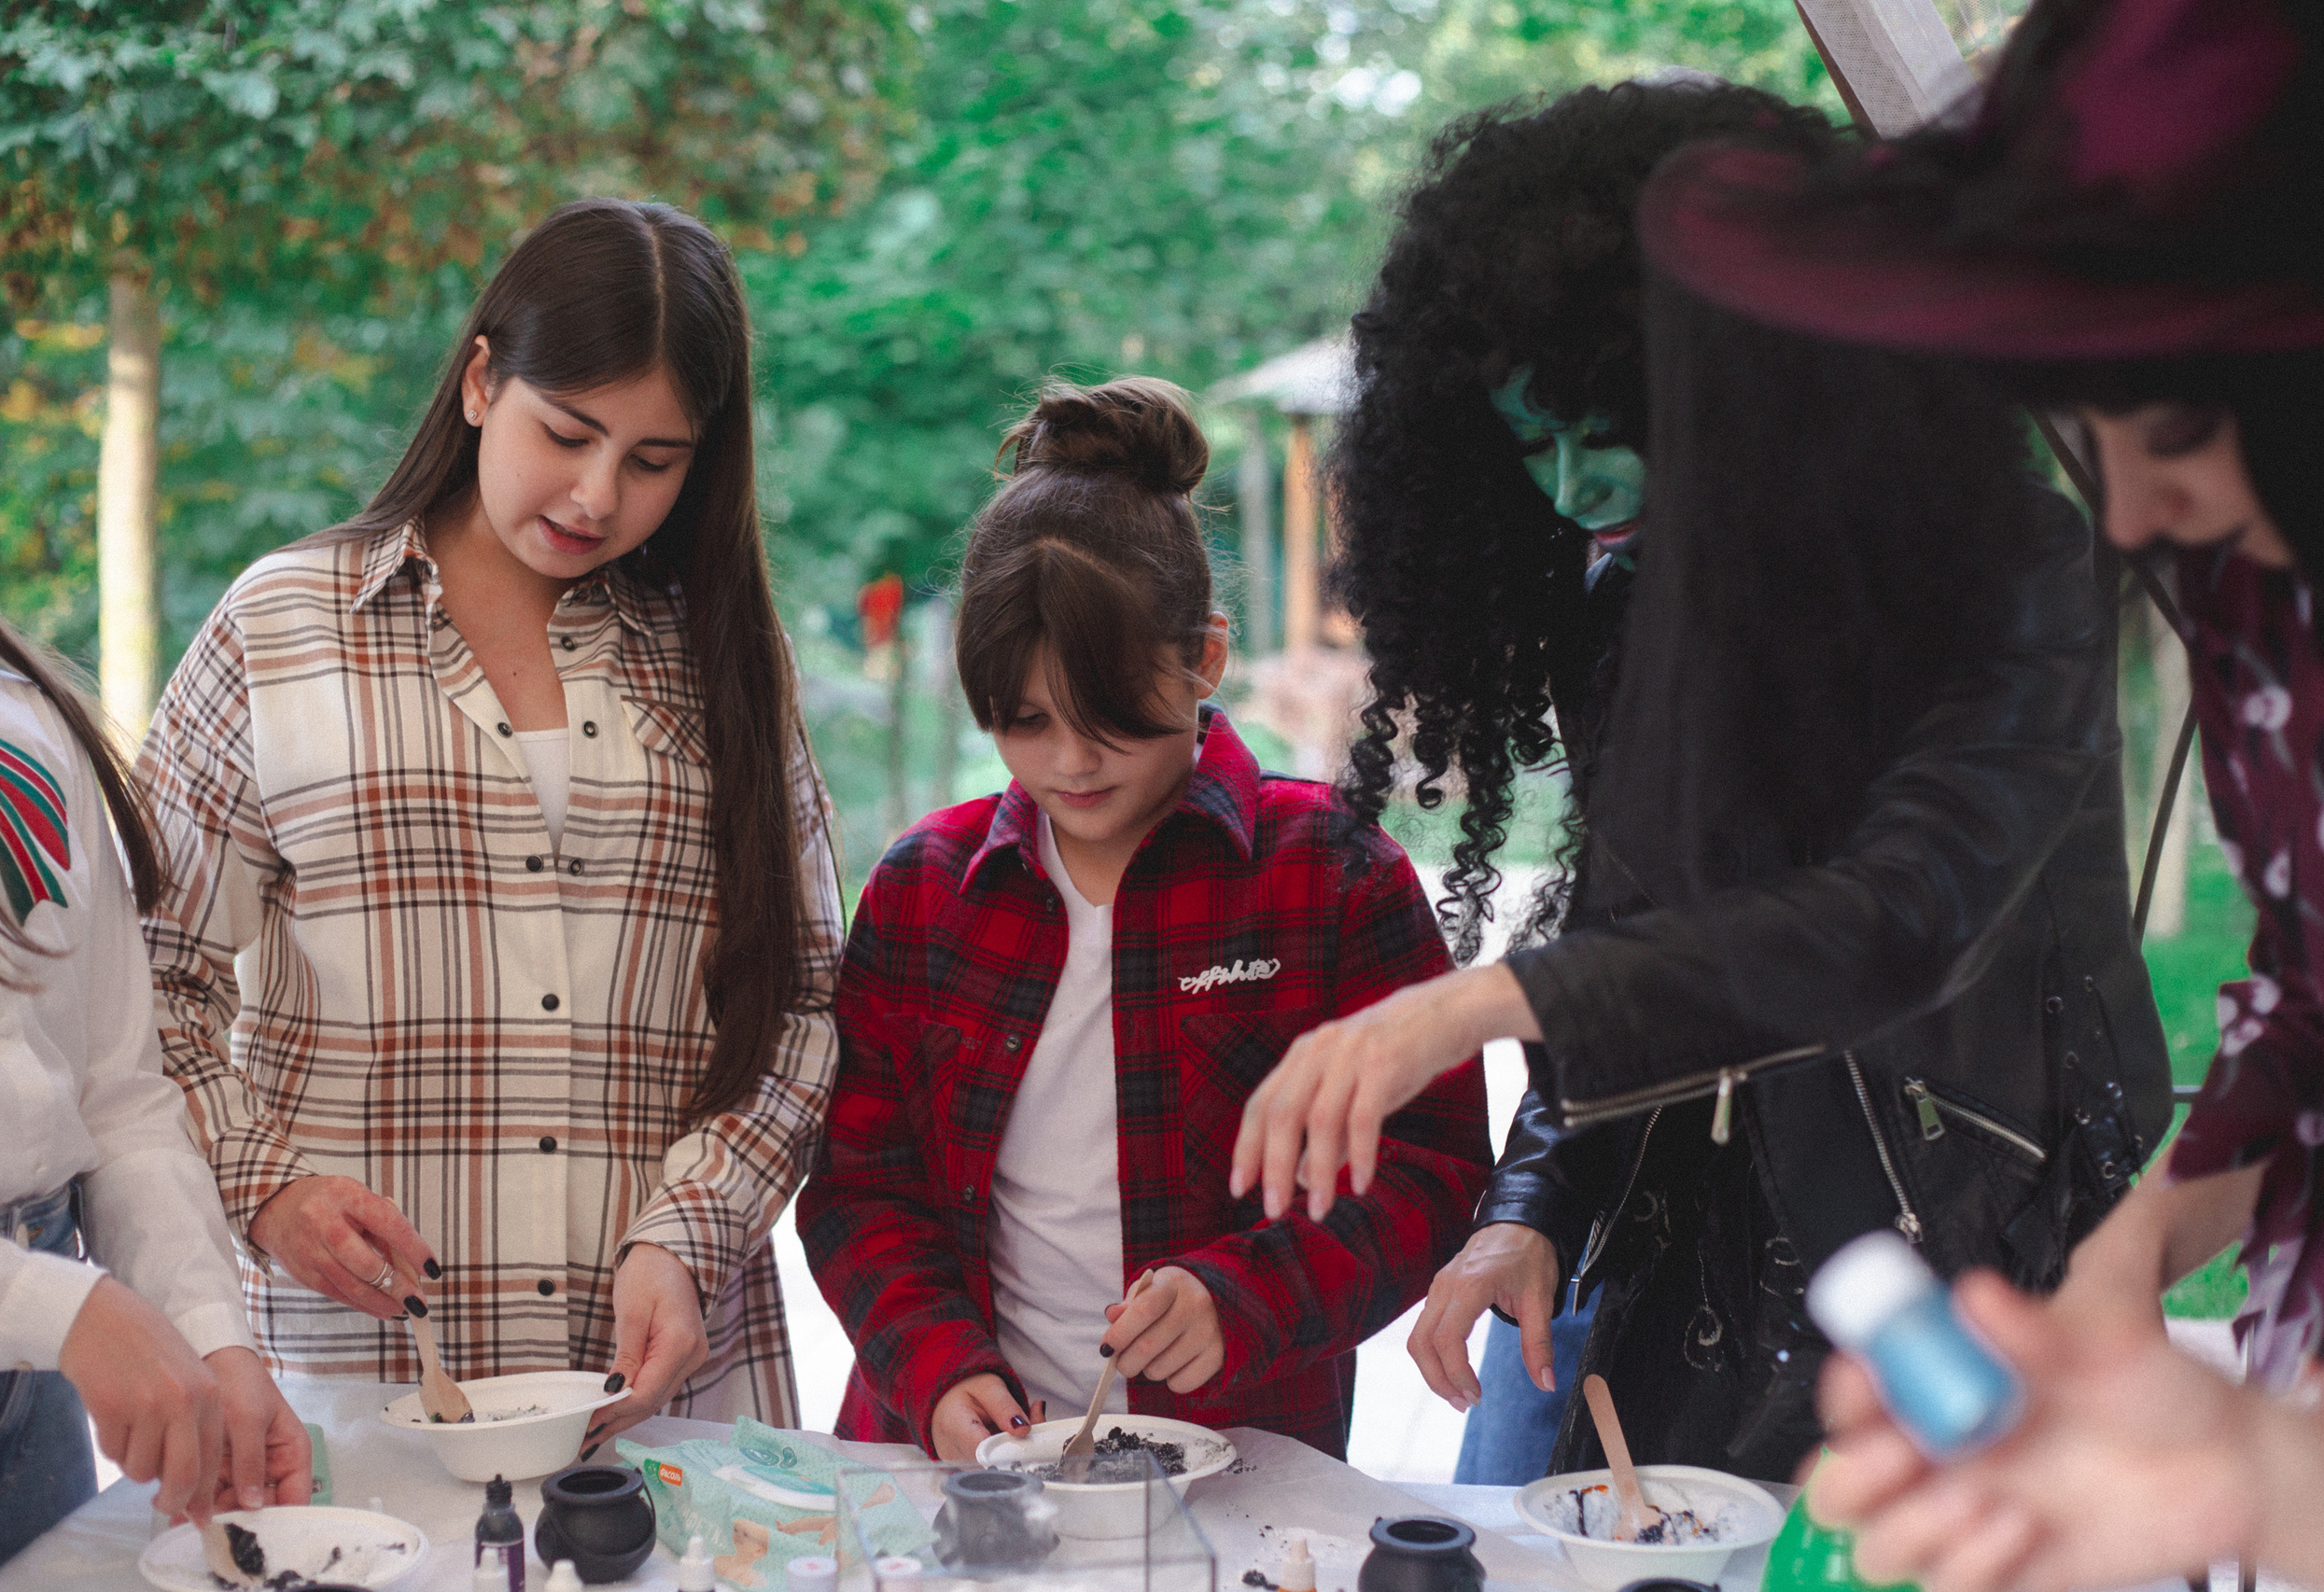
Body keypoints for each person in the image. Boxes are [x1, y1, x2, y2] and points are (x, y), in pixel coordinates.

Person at [1235, 81, 2174, 1480]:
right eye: (1525, 439)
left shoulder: (2013, 570)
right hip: (1690, 1257)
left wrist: (1478, 999)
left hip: (1983, 1247)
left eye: (1601, 426)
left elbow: (1902, 913)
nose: (1564, 487)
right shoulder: (1624, 597)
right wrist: (1535, 1203)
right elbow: (1640, 928)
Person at [1624, 0, 2324, 1582]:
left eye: (2177, 431)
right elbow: (2302, 1022)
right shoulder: (2276, 623)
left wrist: (2267, 1476)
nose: (2132, 509)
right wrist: (2131, 1257)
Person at [137, 199, 843, 1447]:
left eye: (653, 459)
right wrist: (271, 1187)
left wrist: (691, 1231)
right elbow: (145, 981)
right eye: (566, 432)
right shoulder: (282, 628)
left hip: (658, 1400)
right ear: (479, 381)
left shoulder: (724, 661)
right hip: (358, 1392)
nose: (596, 492)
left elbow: (801, 1001)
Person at [796, 378, 1491, 1460]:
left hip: (1234, 1467)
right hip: (955, 1467)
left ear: (1204, 658)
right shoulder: (922, 890)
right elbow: (858, 1187)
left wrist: (1242, 1296)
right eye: (1022, 721)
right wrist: (936, 1361)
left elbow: (1430, 1169)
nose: (1068, 762)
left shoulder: (1333, 878)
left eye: (1111, 717)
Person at [0, 548, 310, 1587]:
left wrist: (210, 1335)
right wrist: (54, 1306)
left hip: (43, 1371)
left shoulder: (8, 716)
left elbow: (118, 1094)